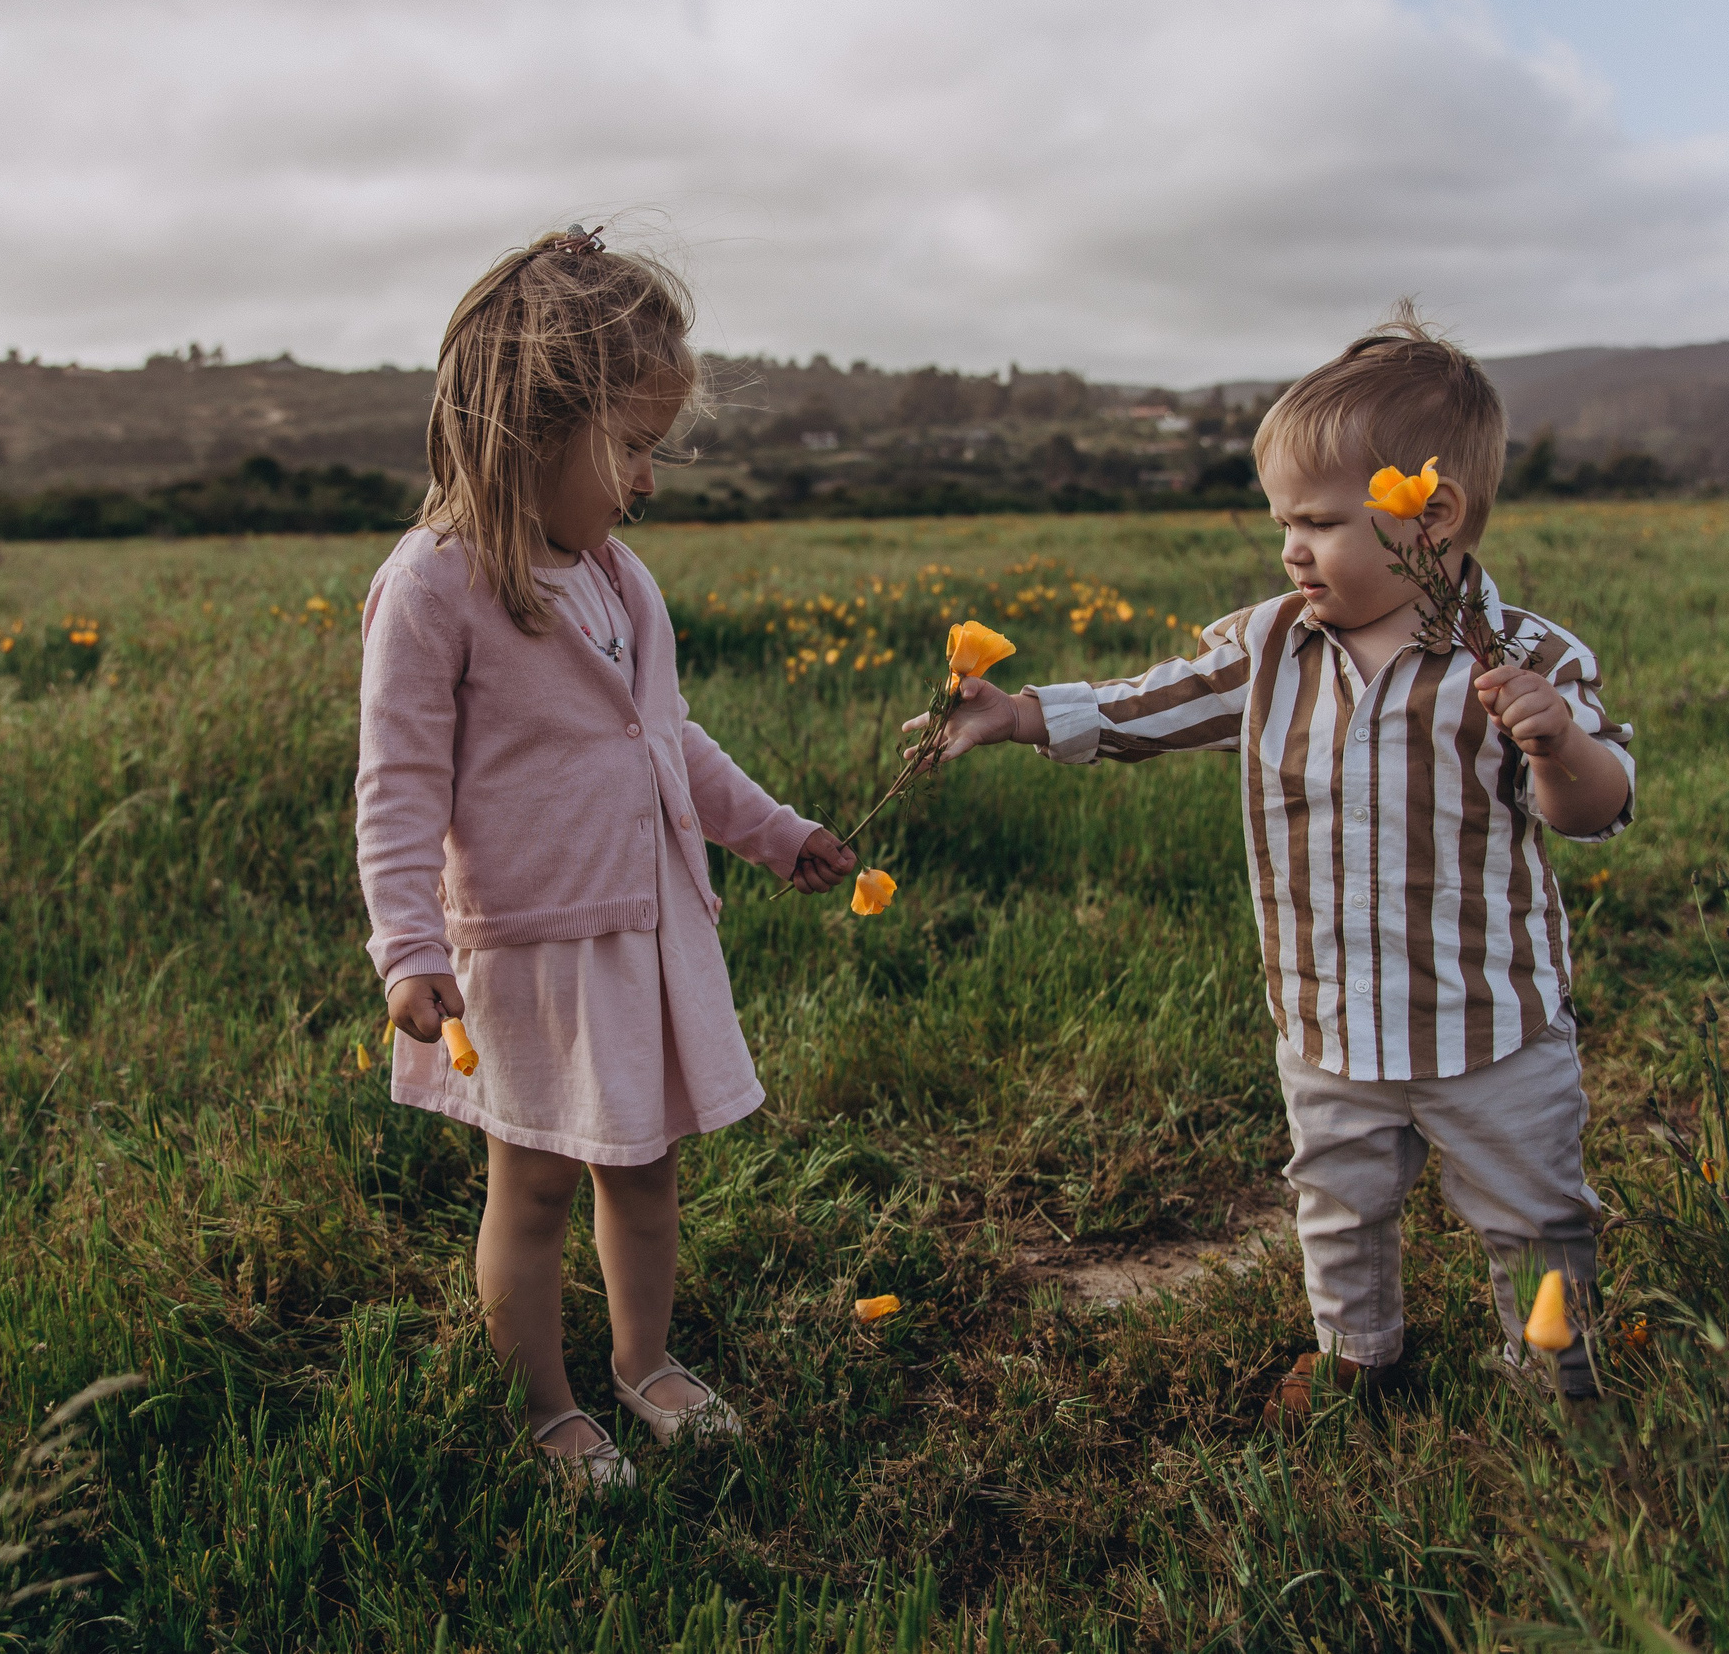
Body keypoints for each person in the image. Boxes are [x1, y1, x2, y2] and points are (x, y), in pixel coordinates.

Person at [917, 305, 1633, 1414]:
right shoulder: (1272, 643)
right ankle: (1360, 1354)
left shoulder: (1528, 659)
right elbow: (1147, 704)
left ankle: (1555, 1376)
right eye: (1281, 521)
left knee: (1534, 1212)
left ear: (1428, 518)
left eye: (1318, 521)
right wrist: (1019, 715)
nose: (1290, 547)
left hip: (1488, 1022)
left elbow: (1592, 809)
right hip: (1327, 1014)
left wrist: (1559, 741)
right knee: (1336, 1198)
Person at [355, 227, 858, 1488]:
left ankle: (646, 1364)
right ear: (533, 423)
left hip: (648, 929)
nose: (644, 480)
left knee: (645, 1170)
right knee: (526, 1189)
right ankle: (545, 1407)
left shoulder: (622, 583)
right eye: (630, 446)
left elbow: (666, 740)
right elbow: (400, 784)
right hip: (528, 945)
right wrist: (408, 947)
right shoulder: (435, 585)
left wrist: (773, 830)